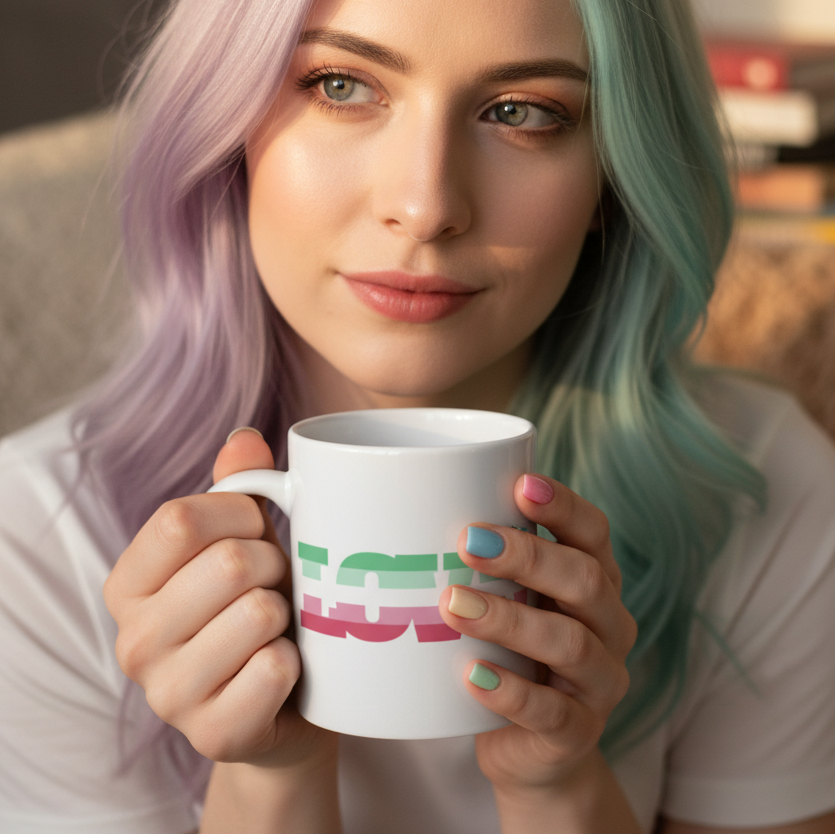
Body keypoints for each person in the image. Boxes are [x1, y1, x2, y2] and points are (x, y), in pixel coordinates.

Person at [1, 0, 834, 831]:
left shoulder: (763, 492)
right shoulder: (38, 546)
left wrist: (557, 785)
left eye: (521, 112)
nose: (425, 204)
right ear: (224, 128)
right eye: (339, 84)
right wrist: (268, 777)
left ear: (612, 177)